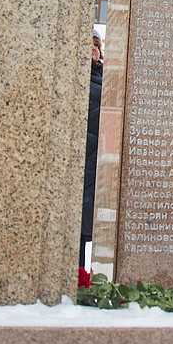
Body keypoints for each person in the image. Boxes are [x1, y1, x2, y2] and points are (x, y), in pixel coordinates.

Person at [79, 32, 104, 269]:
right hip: (80, 154)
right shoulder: (74, 75)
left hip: (98, 157)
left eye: (95, 45)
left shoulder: (106, 76)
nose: (93, 49)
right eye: (87, 45)